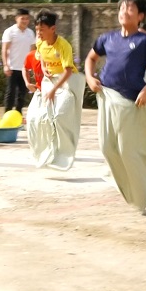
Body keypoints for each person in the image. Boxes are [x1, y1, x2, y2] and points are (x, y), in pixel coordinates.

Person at [85, 0, 146, 212]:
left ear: (140, 16)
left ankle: (141, 193)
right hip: (107, 97)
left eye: (129, 9)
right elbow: (91, 58)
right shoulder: (107, 38)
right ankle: (129, 190)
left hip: (131, 102)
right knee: (107, 147)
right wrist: (90, 77)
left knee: (129, 150)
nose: (123, 12)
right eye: (121, 8)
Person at [26, 10, 85, 171]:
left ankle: (65, 154)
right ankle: (47, 153)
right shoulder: (40, 43)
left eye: (42, 30)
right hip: (49, 82)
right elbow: (42, 58)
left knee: (60, 116)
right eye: (37, 30)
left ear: (53, 28)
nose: (39, 33)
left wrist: (53, 91)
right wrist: (44, 69)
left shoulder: (64, 45)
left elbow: (67, 71)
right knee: (39, 119)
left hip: (67, 83)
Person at [1, 8, 36, 113]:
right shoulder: (10, 31)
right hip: (12, 67)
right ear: (16, 18)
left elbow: (32, 51)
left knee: (22, 93)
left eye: (27, 19)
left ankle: (18, 115)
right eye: (22, 18)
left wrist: (32, 67)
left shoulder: (30, 33)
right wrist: (5, 65)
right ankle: (7, 114)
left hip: (25, 68)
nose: (25, 21)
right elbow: (4, 49)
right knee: (10, 92)